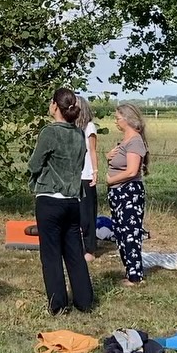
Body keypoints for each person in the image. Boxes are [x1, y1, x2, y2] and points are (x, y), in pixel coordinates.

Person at [27, 88, 94, 314]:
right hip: (73, 200)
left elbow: (34, 164)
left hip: (50, 199)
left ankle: (58, 305)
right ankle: (84, 301)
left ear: (55, 105)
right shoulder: (78, 134)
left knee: (51, 254)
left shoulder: (49, 132)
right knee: (75, 252)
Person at [106, 103, 149, 287]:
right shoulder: (125, 141)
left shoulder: (135, 141)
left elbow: (132, 171)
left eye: (117, 118)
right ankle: (129, 271)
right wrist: (109, 158)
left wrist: (110, 181)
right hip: (118, 193)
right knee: (121, 233)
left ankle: (135, 276)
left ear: (128, 119)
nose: (116, 122)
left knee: (130, 233)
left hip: (129, 193)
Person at [75, 96, 99, 262]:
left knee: (87, 213)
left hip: (86, 174)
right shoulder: (71, 128)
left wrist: (95, 171)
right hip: (73, 175)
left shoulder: (89, 127)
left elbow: (92, 150)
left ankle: (90, 248)